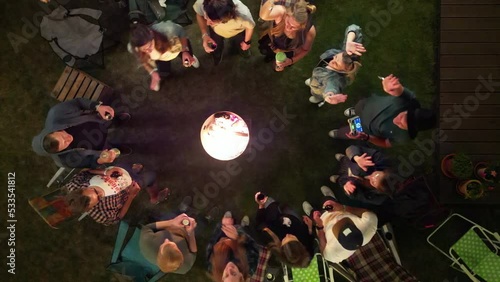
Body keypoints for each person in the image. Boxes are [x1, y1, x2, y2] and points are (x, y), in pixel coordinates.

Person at [329, 74, 437, 147]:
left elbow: (386, 143)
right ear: (409, 110)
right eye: (403, 116)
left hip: (366, 129)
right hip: (366, 105)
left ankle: (338, 133)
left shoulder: (405, 137)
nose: (396, 120)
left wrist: (366, 137)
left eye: (402, 125)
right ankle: (354, 111)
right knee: (358, 107)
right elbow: (400, 90)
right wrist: (392, 87)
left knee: (349, 131)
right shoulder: (410, 101)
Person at [32, 98, 130, 169]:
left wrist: (97, 107)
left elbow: (78, 103)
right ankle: (118, 149)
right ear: (59, 152)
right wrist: (101, 160)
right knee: (114, 150)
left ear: (54, 130)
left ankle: (115, 121)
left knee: (108, 121)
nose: (69, 139)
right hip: (101, 147)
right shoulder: (65, 161)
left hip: (97, 121)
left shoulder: (56, 114)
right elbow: (90, 163)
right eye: (65, 144)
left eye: (63, 136)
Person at [63, 164, 169, 225]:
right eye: (99, 198)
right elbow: (118, 217)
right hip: (129, 187)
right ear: (89, 208)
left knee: (132, 159)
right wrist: (131, 196)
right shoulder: (101, 215)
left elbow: (86, 171)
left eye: (94, 190)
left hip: (113, 170)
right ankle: (154, 197)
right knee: (151, 175)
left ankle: (136, 170)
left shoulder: (73, 185)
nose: (101, 192)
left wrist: (104, 172)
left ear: (82, 188)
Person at [302, 186, 378, 263]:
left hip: (322, 223)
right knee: (327, 200)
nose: (336, 221)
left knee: (313, 214)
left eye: (336, 226)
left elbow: (323, 247)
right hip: (339, 210)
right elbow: (366, 212)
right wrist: (342, 207)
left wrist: (319, 226)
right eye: (345, 222)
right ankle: (331, 198)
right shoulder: (369, 226)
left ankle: (312, 212)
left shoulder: (334, 255)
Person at [129, 22, 200, 92]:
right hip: (161, 58)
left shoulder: (168, 29)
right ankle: (159, 74)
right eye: (144, 49)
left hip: (175, 46)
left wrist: (185, 51)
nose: (149, 51)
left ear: (152, 34)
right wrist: (152, 72)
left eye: (150, 45)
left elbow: (181, 31)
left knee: (187, 57)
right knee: (164, 72)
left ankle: (190, 56)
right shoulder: (133, 48)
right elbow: (142, 59)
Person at [306, 24, 365, 105]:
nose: (331, 60)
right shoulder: (347, 53)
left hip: (320, 88)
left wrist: (329, 96)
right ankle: (312, 80)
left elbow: (332, 87)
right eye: (336, 56)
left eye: (335, 64)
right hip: (317, 76)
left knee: (315, 91)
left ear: (344, 70)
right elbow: (354, 27)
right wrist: (349, 42)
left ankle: (317, 97)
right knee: (314, 79)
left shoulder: (334, 78)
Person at [254, 192, 314, 267]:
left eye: (285, 239)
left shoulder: (270, 242)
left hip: (273, 220)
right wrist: (310, 228)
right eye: (292, 237)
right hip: (292, 221)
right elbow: (310, 240)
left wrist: (261, 206)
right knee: (286, 209)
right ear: (301, 245)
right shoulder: (307, 252)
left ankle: (274, 205)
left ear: (281, 248)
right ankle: (282, 208)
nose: (288, 235)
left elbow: (259, 223)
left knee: (270, 203)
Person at [258, 0, 316, 71]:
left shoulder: (309, 31)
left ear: (302, 26)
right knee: (266, 52)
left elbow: (305, 50)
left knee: (279, 63)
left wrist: (291, 61)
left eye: (293, 27)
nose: (288, 28)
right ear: (287, 15)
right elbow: (263, 16)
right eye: (288, 22)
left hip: (287, 52)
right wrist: (271, 0)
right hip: (271, 43)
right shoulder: (282, 13)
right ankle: (269, 57)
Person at [193, 0, 255, 65]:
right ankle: (217, 54)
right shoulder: (203, 2)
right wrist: (204, 34)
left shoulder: (243, 15)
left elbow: (250, 27)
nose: (207, 24)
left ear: (227, 18)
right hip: (216, 31)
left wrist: (246, 42)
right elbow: (199, 14)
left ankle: (243, 50)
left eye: (212, 22)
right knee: (216, 45)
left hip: (238, 31)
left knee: (241, 42)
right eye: (206, 17)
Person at [206, 211, 260, 282]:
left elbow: (211, 243)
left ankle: (232, 224)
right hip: (241, 236)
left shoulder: (212, 268)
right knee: (245, 229)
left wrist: (222, 226)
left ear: (222, 279)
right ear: (241, 276)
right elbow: (253, 246)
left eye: (226, 275)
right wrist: (238, 237)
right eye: (233, 273)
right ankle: (244, 226)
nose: (229, 269)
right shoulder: (250, 267)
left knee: (227, 220)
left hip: (222, 235)